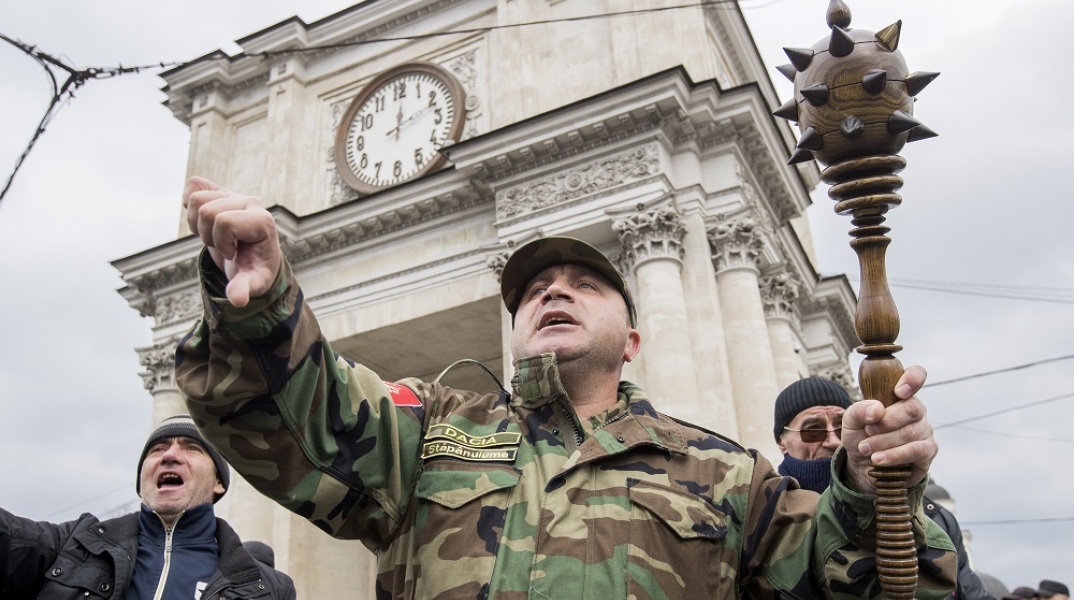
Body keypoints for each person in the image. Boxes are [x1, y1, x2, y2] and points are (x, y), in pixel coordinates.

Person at [175, 176, 957, 598]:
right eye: (536, 287)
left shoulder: (729, 476)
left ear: (634, 339)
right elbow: (300, 419)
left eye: (585, 282)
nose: (554, 291)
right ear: (515, 334)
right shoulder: (430, 434)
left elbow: (868, 588)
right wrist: (266, 306)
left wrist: (866, 488)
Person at [0, 415, 296, 599]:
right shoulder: (74, 544)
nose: (170, 455)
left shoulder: (268, 589)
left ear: (219, 481)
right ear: (142, 483)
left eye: (191, 448)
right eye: (157, 449)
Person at [773, 377, 996, 600]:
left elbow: (971, 592)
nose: (832, 440)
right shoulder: (768, 522)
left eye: (842, 427)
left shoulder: (933, 517)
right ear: (782, 441)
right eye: (813, 430)